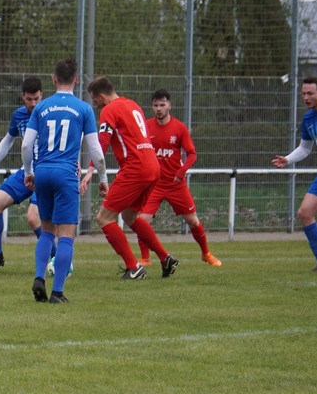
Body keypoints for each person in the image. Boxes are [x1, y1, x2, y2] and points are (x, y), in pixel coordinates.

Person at [22, 59, 107, 303]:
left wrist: (29, 172)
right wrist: (102, 177)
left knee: (47, 230)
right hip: (66, 173)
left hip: (43, 172)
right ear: (76, 80)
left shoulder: (41, 107)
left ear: (54, 79)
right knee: (67, 234)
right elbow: (95, 149)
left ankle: (39, 277)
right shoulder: (83, 109)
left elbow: (27, 145)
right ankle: (57, 292)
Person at [87, 76, 179, 280]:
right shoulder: (133, 105)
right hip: (152, 166)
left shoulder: (109, 109)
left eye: (95, 101)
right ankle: (165, 258)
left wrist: (91, 171)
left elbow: (101, 142)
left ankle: (134, 267)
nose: (96, 105)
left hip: (135, 168)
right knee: (130, 217)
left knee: (104, 218)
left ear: (101, 96)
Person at [137, 89, 222, 267]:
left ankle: (206, 253)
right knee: (141, 221)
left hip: (176, 184)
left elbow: (191, 154)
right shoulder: (146, 127)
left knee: (192, 220)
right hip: (155, 185)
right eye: (155, 105)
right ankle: (145, 258)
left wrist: (181, 172)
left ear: (170, 105)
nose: (159, 108)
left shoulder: (179, 128)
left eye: (162, 105)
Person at [0, 76, 52, 273]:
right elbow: (8, 139)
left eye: (36, 98)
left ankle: (55, 258)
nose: (33, 103)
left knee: (33, 218)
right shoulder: (19, 115)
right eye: (29, 99)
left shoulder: (49, 114)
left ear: (42, 96)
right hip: (25, 172)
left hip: (45, 172)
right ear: (22, 97)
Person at [272, 76, 317, 272]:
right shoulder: (308, 119)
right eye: (303, 93)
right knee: (305, 213)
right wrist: (288, 159)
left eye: (310, 93)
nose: (306, 97)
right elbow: (305, 149)